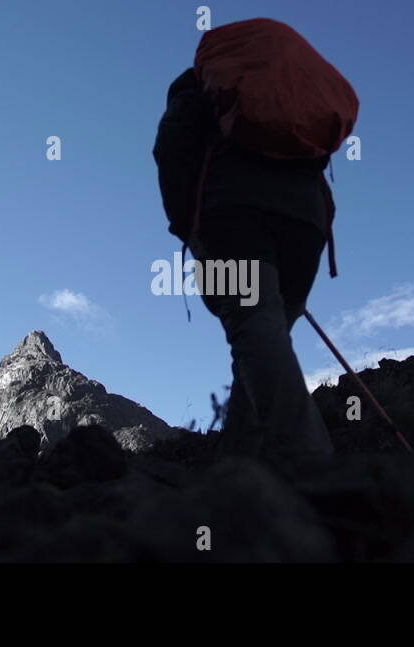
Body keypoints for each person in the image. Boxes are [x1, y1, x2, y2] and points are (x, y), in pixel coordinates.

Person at [153, 66, 336, 457]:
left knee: (253, 324)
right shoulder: (286, 94)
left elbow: (170, 148)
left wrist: (186, 226)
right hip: (308, 221)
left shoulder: (197, 87)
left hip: (232, 213)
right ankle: (241, 462)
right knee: (262, 335)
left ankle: (310, 463)